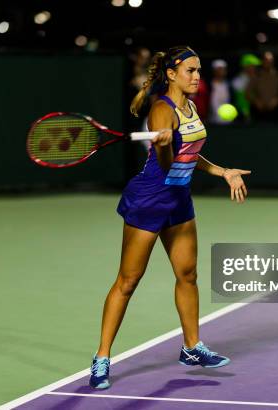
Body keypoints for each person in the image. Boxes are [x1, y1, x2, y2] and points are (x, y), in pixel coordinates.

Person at [89, 45, 251, 390]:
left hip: (179, 200)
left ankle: (192, 348)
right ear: (172, 74)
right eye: (190, 71)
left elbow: (191, 153)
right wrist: (163, 145)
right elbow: (165, 164)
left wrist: (222, 172)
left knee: (188, 275)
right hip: (150, 199)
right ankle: (102, 358)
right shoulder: (161, 110)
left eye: (198, 70)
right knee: (128, 281)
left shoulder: (190, 106)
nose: (197, 77)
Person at [246, 51, 278, 122]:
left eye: (270, 60)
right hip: (259, 111)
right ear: (262, 61)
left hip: (276, 111)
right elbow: (248, 93)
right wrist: (256, 101)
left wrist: (277, 100)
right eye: (266, 60)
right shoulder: (256, 76)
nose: (268, 63)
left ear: (273, 62)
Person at [231, 53, 261, 123]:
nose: (255, 68)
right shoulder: (237, 81)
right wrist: (246, 114)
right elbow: (241, 100)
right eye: (253, 66)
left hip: (258, 115)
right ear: (246, 67)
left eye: (255, 67)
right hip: (242, 117)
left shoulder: (257, 78)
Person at [208, 59, 233, 124]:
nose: (221, 71)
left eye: (223, 69)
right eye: (219, 69)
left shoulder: (229, 85)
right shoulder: (208, 85)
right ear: (214, 71)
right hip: (212, 122)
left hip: (229, 122)